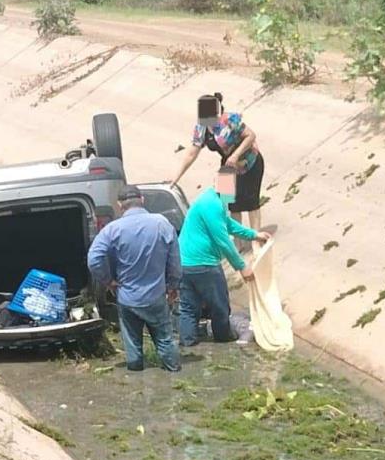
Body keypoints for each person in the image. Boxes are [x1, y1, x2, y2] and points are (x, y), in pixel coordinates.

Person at [87, 185, 182, 372]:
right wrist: (173, 286)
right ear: (142, 200)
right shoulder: (162, 223)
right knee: (165, 340)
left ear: (119, 204)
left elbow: (93, 259)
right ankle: (173, 373)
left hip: (127, 298)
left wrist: (108, 281)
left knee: (133, 347)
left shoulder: (112, 230)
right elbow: (175, 262)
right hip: (156, 296)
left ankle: (137, 378)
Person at [178, 167, 271, 346]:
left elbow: (227, 223)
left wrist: (253, 234)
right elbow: (223, 240)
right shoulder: (212, 204)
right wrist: (242, 267)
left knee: (188, 308)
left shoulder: (213, 199)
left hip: (185, 263)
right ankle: (223, 341)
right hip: (204, 264)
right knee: (219, 306)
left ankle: (187, 344)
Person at [170, 92, 265, 250]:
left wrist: (235, 155)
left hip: (249, 160)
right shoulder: (201, 128)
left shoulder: (229, 120)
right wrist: (176, 178)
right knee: (229, 203)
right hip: (227, 165)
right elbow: (192, 153)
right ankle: (238, 242)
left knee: (251, 201)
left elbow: (251, 136)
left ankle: (256, 240)